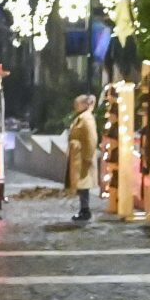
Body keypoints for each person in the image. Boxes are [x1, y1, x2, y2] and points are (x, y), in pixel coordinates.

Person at [63, 95, 99, 224]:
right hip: (78, 156)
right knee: (81, 184)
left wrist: (88, 156)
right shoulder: (82, 117)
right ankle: (84, 209)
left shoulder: (86, 118)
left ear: (84, 104)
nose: (75, 106)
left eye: (77, 104)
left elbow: (91, 138)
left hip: (82, 157)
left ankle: (85, 210)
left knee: (83, 184)